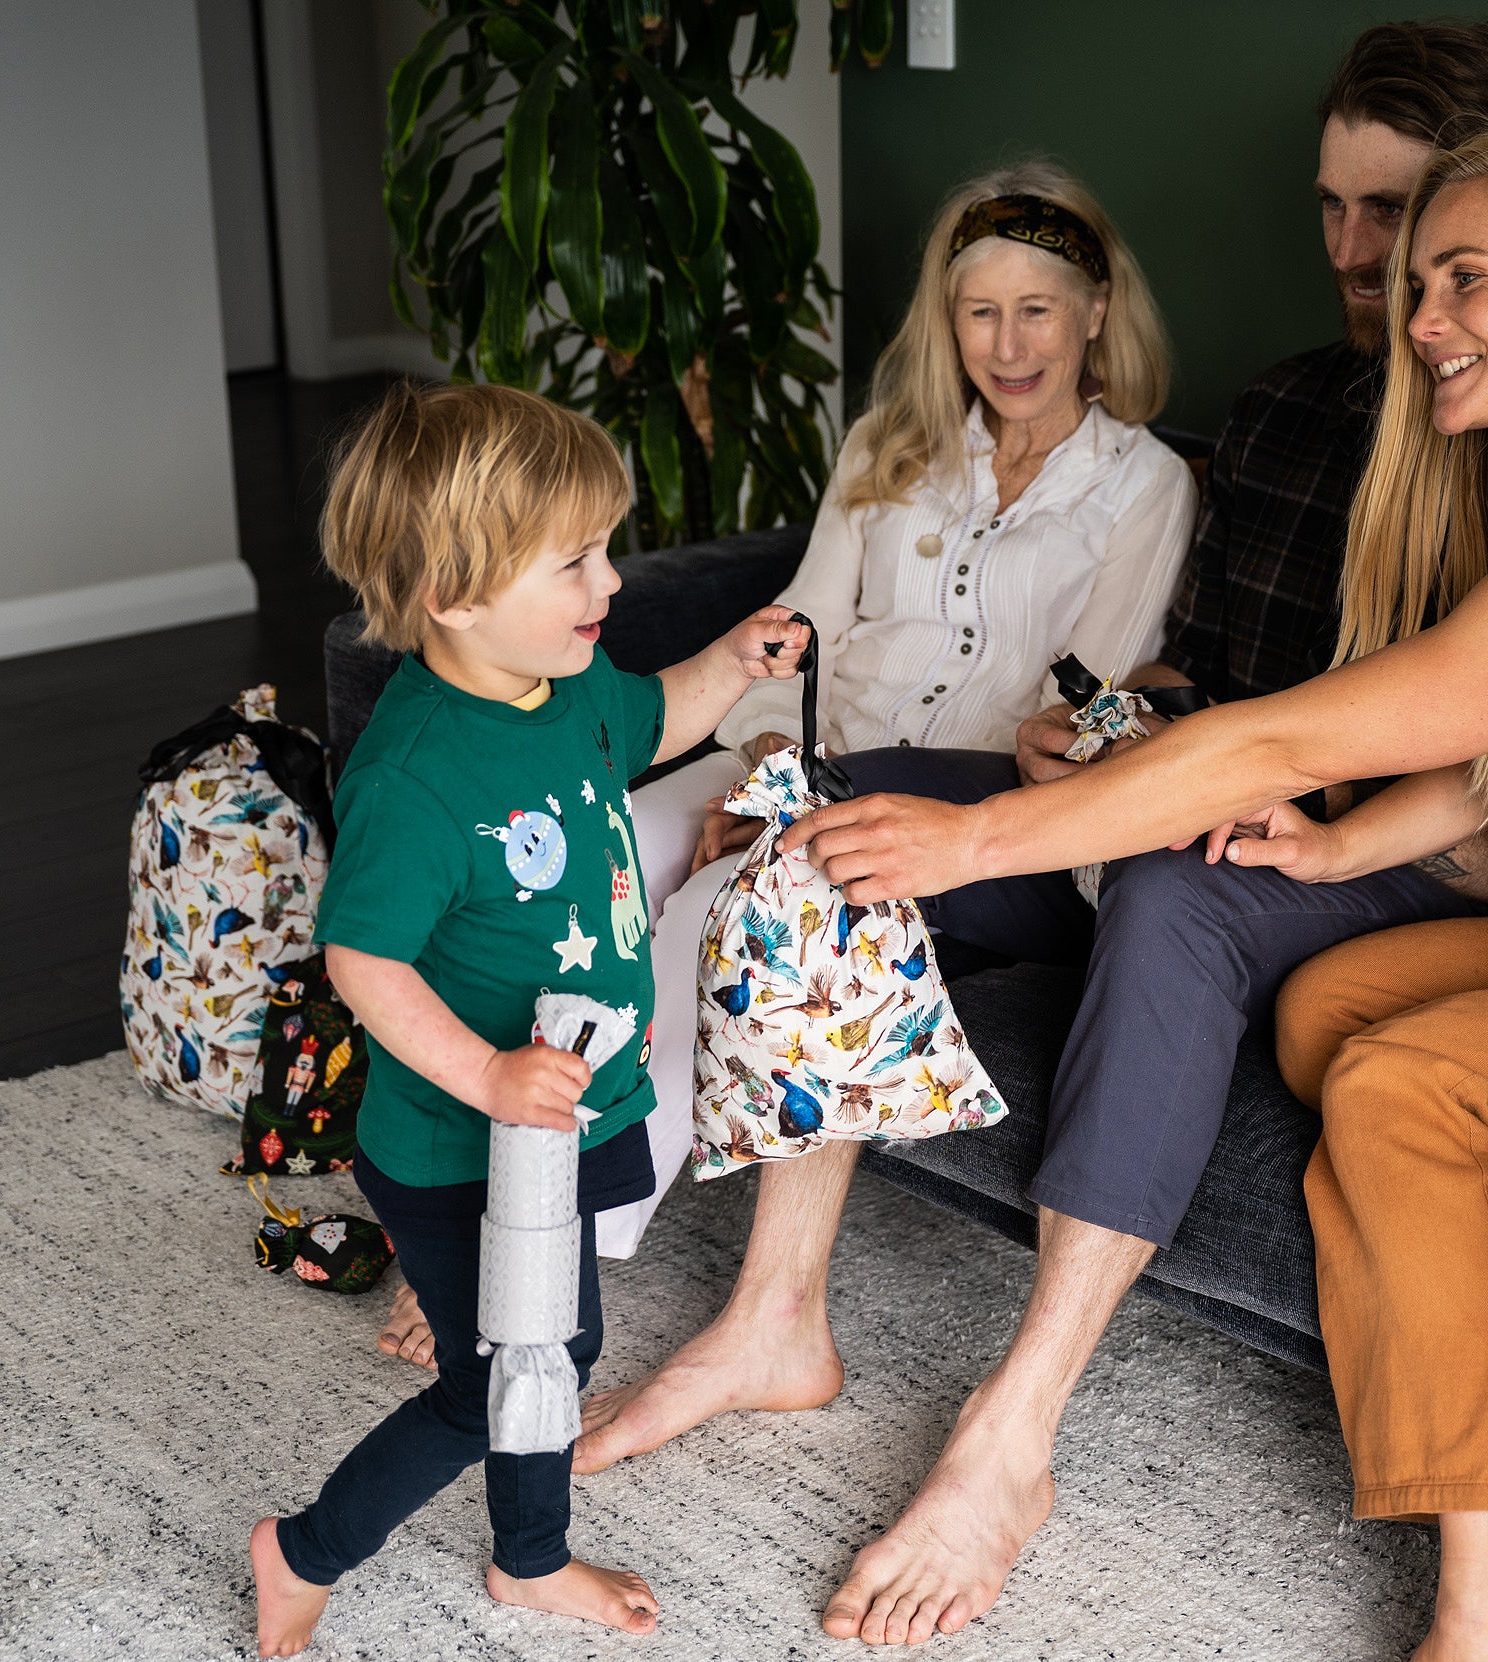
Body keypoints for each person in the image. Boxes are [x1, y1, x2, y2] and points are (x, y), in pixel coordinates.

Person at [781, 121, 1488, 1661]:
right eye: (1417, 274)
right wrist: (1332, 849)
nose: (1417, 311)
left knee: (1391, 1091)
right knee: (1323, 1002)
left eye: (1464, 277)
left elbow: (1293, 731)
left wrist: (973, 844)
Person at [565, 24, 1488, 1649]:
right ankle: (772, 1314)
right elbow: (1200, 667)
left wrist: (1243, 789)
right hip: (1186, 779)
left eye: (1405, 224)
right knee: (829, 826)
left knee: (1171, 880)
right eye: (1337, 212)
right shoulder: (1295, 409)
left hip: (1373, 848)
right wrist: (1105, 712)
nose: (1362, 261)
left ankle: (1009, 1435)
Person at [373, 160, 1194, 1373]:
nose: (1007, 344)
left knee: (713, 910)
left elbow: (1080, 714)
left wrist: (790, 814)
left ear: (1095, 314)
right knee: (587, 856)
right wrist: (760, 758)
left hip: (931, 804)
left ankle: (548, 1248)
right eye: (979, 311)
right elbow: (800, 625)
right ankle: (453, 1178)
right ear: (945, 318)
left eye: (1036, 310)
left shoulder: (1146, 487)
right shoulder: (887, 447)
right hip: (793, 752)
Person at [246, 381, 811, 1657]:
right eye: (572, 562)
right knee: (497, 1378)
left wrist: (731, 661)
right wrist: (489, 1076)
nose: (605, 583)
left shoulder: (563, 683)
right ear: (451, 594)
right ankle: (307, 1548)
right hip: (464, 1145)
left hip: (568, 1116)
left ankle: (527, 1559)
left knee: (554, 1346)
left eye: (603, 548)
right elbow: (364, 960)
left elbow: (649, 720)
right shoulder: (416, 772)